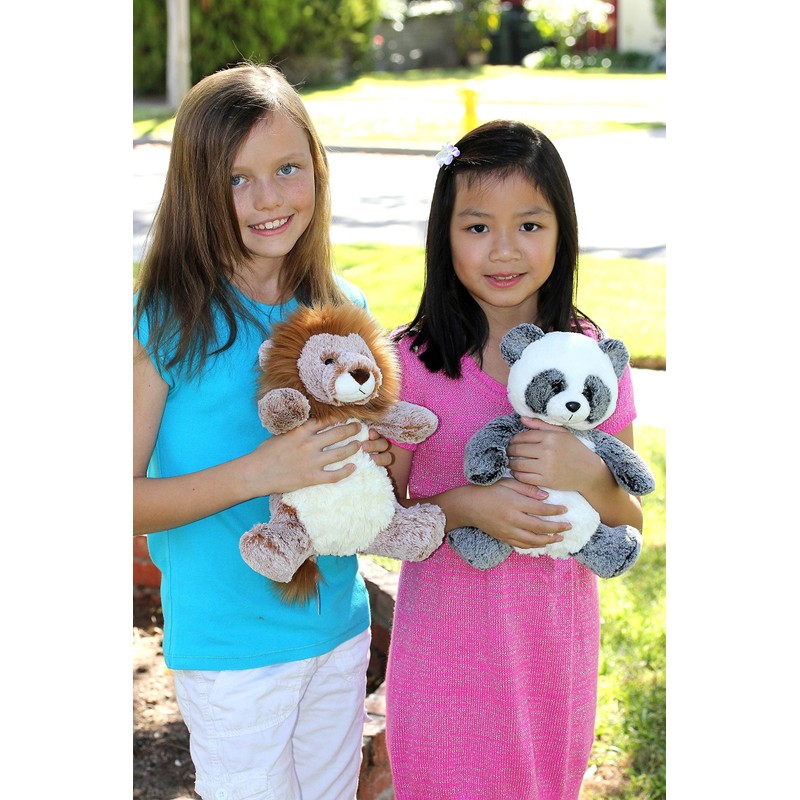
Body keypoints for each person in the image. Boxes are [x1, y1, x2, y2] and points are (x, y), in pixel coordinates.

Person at [133, 62, 389, 800]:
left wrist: (374, 457)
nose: (269, 198)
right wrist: (262, 472)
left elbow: (378, 480)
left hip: (338, 631)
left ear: (318, 169)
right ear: (196, 191)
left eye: (287, 168)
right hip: (231, 654)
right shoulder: (167, 321)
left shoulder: (342, 306)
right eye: (237, 179)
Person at [383, 120, 645, 799]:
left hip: (552, 659)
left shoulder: (592, 359)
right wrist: (464, 505)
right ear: (443, 235)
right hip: (443, 661)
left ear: (562, 231)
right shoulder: (409, 363)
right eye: (477, 227)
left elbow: (630, 519)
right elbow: (380, 520)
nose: (504, 250)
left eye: (530, 225)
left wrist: (588, 475)